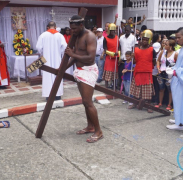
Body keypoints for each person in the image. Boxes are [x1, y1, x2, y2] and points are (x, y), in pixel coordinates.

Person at [65, 15, 103, 143]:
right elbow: (75, 56)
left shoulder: (90, 36)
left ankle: (99, 131)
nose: (73, 31)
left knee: (88, 102)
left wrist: (72, 54)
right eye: (71, 29)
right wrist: (64, 68)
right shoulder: (76, 36)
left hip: (89, 71)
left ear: (81, 25)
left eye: (75, 29)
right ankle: (90, 126)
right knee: (84, 102)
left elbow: (90, 58)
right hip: (80, 70)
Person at [36, 21, 67, 101]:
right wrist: (59, 52)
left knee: (48, 76)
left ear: (48, 27)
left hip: (46, 60)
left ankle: (48, 95)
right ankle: (58, 95)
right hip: (57, 59)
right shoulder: (60, 36)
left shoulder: (43, 35)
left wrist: (44, 53)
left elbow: (38, 47)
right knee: (57, 76)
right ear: (55, 27)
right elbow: (64, 47)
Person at [129, 30, 156, 113]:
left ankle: (149, 106)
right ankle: (134, 103)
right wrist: (132, 57)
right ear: (141, 39)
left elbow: (154, 62)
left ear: (149, 40)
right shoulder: (136, 49)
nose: (144, 41)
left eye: (146, 40)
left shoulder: (152, 50)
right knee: (136, 90)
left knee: (148, 91)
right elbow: (134, 62)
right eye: (143, 39)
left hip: (147, 72)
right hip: (138, 71)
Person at [155, 39, 178, 110]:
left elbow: (177, 64)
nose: (165, 46)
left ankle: (169, 104)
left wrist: (173, 71)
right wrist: (158, 68)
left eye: (166, 45)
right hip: (161, 72)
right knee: (161, 88)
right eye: (164, 44)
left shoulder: (175, 54)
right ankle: (160, 103)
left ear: (171, 46)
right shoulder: (162, 52)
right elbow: (158, 60)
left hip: (170, 74)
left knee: (170, 90)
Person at [118, 25, 136, 90]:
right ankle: (122, 88)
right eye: (125, 30)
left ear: (130, 30)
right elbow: (119, 47)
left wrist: (132, 57)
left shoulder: (133, 37)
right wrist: (119, 57)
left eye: (127, 30)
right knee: (120, 73)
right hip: (122, 58)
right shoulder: (121, 37)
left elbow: (134, 48)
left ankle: (128, 90)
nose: (126, 31)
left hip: (129, 60)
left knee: (128, 74)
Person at [103, 23, 120, 88]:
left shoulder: (117, 38)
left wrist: (119, 57)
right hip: (109, 58)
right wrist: (112, 54)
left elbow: (119, 48)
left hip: (116, 59)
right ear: (109, 31)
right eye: (112, 30)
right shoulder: (105, 38)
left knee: (114, 74)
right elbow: (105, 50)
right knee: (107, 72)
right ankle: (106, 87)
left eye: (114, 30)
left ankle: (114, 87)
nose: (113, 32)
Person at [151, 33, 162, 105]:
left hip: (154, 68)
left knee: (154, 85)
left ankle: (154, 99)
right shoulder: (157, 44)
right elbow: (156, 53)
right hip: (155, 68)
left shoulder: (152, 44)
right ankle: (156, 99)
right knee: (156, 85)